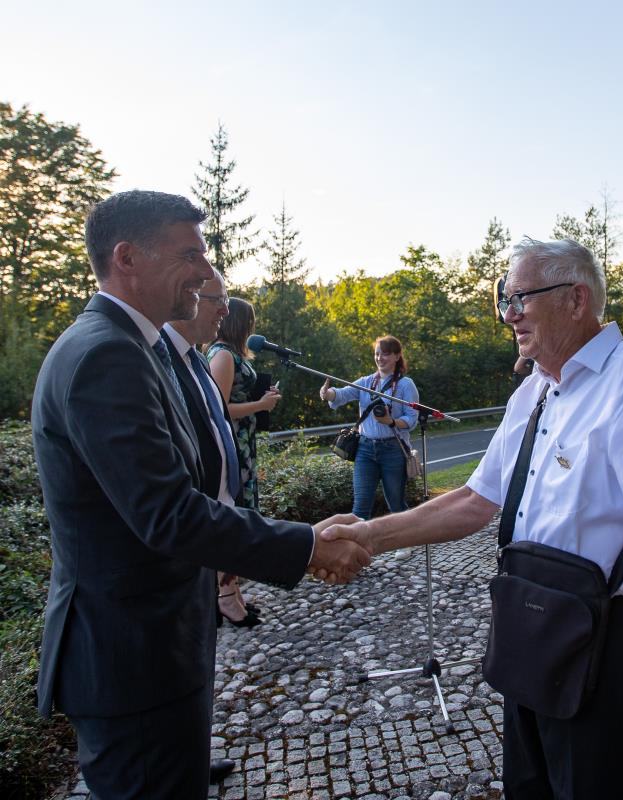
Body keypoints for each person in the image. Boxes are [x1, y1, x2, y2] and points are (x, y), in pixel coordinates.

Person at [321, 238, 623, 799]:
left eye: (520, 299)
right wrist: (367, 534)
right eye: (504, 300)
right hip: (531, 625)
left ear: (576, 299)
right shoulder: (535, 391)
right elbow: (474, 501)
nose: (508, 315)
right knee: (529, 786)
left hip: (610, 639)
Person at [31, 190, 370, 800]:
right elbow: (167, 513)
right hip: (131, 656)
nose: (206, 272)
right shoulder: (107, 355)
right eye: (190, 255)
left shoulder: (139, 346)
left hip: (156, 644)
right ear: (127, 258)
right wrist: (307, 546)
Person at [165, 274, 256, 630]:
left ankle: (225, 595)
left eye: (227, 301)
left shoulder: (197, 358)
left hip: (219, 503)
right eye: (217, 300)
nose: (225, 309)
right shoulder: (159, 359)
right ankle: (224, 598)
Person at [320, 336, 419, 518]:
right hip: (365, 450)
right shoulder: (365, 382)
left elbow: (412, 419)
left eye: (385, 354)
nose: (380, 358)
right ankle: (359, 537)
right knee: (360, 508)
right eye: (377, 354)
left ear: (397, 356)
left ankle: (406, 537)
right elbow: (342, 394)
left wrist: (391, 421)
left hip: (393, 450)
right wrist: (328, 393)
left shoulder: (406, 384)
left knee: (396, 506)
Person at [207, 298, 280, 512]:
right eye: (249, 322)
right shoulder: (223, 355)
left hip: (244, 436)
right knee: (239, 501)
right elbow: (219, 408)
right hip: (234, 438)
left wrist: (262, 395)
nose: (251, 328)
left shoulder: (231, 353)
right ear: (238, 323)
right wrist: (260, 405)